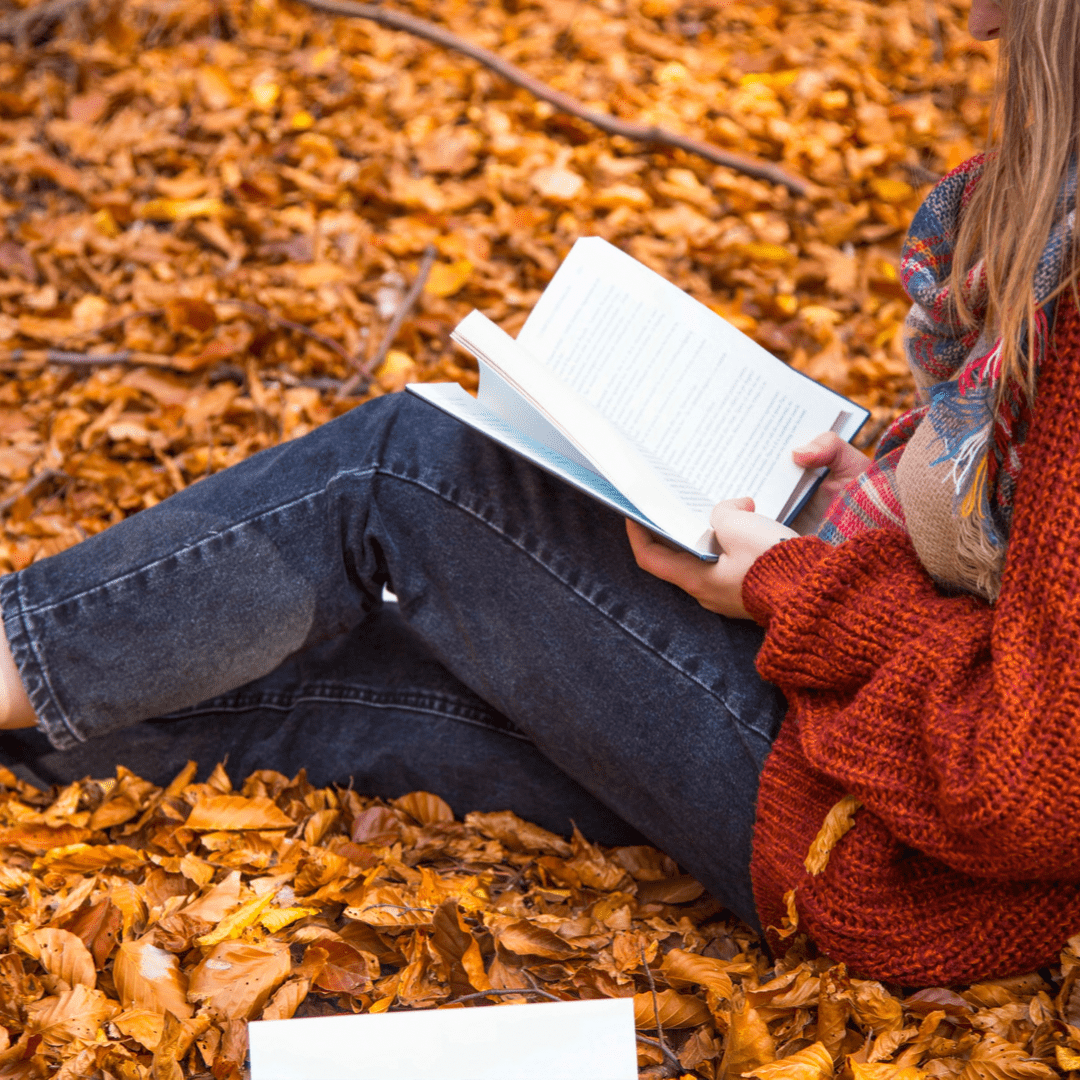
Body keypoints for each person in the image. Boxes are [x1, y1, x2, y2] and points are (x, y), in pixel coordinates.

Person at [0, 0, 1074, 987]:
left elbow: (1023, 783)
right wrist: (877, 499)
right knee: (383, 674)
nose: (970, 20)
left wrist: (793, 589)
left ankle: (17, 655)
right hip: (880, 810)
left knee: (409, 467)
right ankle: (32, 730)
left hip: (891, 858)